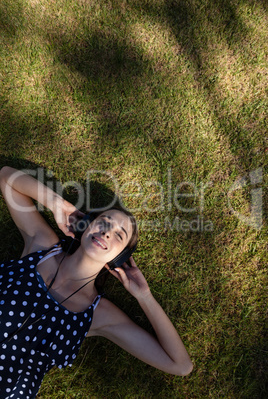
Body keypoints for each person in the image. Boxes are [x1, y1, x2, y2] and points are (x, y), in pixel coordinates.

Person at [0, 166, 193, 398]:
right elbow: (6, 178)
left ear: (119, 259)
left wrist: (145, 297)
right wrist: (58, 205)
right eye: (105, 222)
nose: (108, 232)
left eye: (119, 235)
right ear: (86, 225)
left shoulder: (98, 314)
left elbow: (180, 365)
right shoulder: (43, 247)